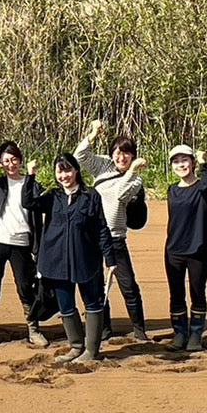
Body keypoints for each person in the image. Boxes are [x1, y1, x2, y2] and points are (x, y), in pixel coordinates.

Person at [23, 153, 114, 364]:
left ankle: (91, 352)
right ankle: (76, 346)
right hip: (56, 261)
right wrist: (30, 175)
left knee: (93, 303)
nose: (64, 175)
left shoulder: (91, 196)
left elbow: (102, 228)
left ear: (76, 171)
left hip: (86, 259)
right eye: (60, 171)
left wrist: (110, 259)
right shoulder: (52, 197)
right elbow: (28, 202)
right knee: (65, 305)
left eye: (68, 170)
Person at [74, 119, 149, 341]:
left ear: (133, 156)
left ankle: (139, 329)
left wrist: (132, 171)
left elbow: (120, 194)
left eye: (126, 153)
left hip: (115, 238)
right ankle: (104, 329)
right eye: (117, 152)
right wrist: (93, 133)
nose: (121, 157)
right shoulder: (104, 166)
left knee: (128, 285)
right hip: (93, 237)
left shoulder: (136, 180)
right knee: (96, 286)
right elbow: (80, 156)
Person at [0, 128, 47, 346]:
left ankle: (33, 330)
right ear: (0, 163)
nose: (11, 163)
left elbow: (40, 210)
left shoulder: (31, 184)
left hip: (21, 245)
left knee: (26, 288)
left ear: (20, 160)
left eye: (15, 159)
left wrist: (32, 176)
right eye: (7, 160)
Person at [164, 143, 207, 352]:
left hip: (198, 250)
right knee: (176, 294)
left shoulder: (202, 189)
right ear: (172, 166)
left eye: (185, 160)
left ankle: (195, 333)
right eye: (176, 162)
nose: (181, 165)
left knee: (197, 292)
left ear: (192, 163)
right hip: (174, 251)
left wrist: (205, 165)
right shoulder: (172, 190)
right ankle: (180, 333)